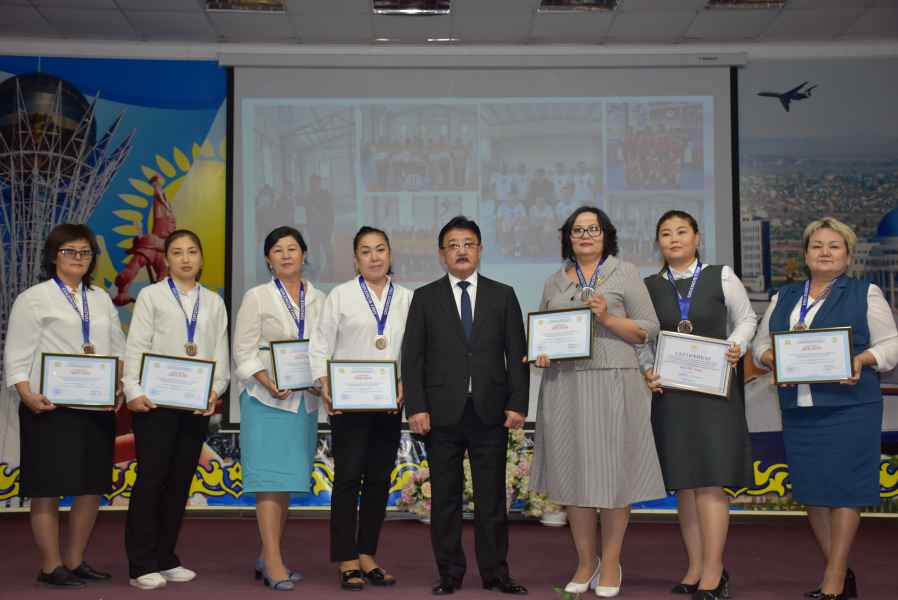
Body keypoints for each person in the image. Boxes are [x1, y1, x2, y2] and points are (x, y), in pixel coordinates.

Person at [753, 217, 898, 600]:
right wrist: (771, 357)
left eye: (834, 246)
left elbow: (892, 345)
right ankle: (841, 572)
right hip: (799, 409)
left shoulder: (865, 293)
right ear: (805, 255)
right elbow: (759, 345)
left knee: (846, 490)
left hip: (851, 408)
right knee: (812, 490)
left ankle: (833, 577)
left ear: (848, 256)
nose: (825, 252)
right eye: (817, 245)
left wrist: (861, 359)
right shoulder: (784, 297)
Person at [529, 206, 665, 598]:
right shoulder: (555, 280)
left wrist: (607, 318)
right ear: (567, 238)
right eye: (578, 230)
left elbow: (648, 328)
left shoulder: (625, 273)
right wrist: (541, 353)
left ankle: (611, 562)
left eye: (593, 229)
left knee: (614, 479)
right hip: (565, 386)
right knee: (574, 478)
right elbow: (542, 332)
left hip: (615, 384)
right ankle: (585, 562)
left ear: (606, 235)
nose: (585, 235)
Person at [402, 216, 529, 596]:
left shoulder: (502, 295)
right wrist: (417, 407)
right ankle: (450, 574)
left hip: (490, 411)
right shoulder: (425, 297)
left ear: (480, 250)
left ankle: (496, 574)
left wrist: (518, 403)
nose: (461, 251)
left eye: (468, 244)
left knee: (492, 500)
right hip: (441, 413)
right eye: (453, 245)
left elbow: (517, 353)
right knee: (445, 499)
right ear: (442, 254)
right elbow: (413, 358)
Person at [641, 210, 757, 600]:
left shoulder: (721, 276)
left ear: (696, 237)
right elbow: (643, 339)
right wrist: (647, 370)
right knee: (685, 484)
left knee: (710, 482)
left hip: (715, 393)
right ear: (658, 242)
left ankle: (714, 571)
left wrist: (736, 345)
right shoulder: (648, 286)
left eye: (681, 232)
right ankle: (694, 567)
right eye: (665, 233)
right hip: (672, 396)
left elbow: (747, 318)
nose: (674, 239)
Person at [4, 223, 126, 588]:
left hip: (96, 409)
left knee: (90, 487)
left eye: (85, 252)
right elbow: (16, 355)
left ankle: (74, 560)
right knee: (48, 487)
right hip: (49, 408)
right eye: (69, 251)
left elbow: (117, 347)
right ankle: (50, 565)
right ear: (53, 256)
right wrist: (27, 394)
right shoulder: (33, 298)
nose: (78, 258)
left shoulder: (101, 299)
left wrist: (119, 383)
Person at [123, 229, 230, 590]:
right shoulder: (151, 296)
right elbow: (136, 346)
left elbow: (220, 354)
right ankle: (140, 564)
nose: (185, 258)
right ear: (166, 260)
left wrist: (214, 391)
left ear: (201, 259)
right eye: (178, 252)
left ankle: (165, 557)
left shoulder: (213, 302)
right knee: (151, 480)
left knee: (179, 482)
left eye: (192, 252)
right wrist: (133, 389)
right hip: (155, 403)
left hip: (195, 406)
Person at [309, 226, 413, 591]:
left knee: (379, 481)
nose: (374, 257)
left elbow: (415, 351)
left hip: (388, 405)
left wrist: (406, 384)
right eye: (366, 251)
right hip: (349, 405)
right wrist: (326, 385)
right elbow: (320, 346)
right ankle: (346, 558)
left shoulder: (407, 298)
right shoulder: (340, 296)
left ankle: (367, 553)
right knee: (348, 479)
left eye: (380, 249)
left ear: (390, 254)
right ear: (355, 260)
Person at [232, 226, 325, 591]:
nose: (286, 255)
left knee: (285, 481)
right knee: (269, 481)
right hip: (266, 400)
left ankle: (266, 555)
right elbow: (243, 351)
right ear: (268, 259)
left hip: (303, 402)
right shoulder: (256, 297)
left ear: (304, 254)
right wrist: (267, 381)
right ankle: (273, 561)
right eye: (277, 250)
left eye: (292, 248)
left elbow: (323, 350)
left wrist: (322, 380)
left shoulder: (320, 299)